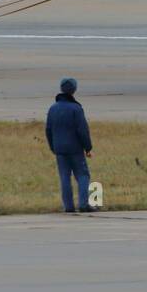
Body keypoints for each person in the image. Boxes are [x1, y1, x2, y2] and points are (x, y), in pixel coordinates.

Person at [45, 77, 97, 213]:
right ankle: (84, 204)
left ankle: (68, 206)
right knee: (83, 175)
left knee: (64, 177)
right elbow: (82, 130)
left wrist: (53, 147)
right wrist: (88, 147)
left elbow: (48, 130)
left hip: (59, 149)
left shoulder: (53, 108)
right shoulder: (76, 108)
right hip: (75, 148)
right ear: (74, 90)